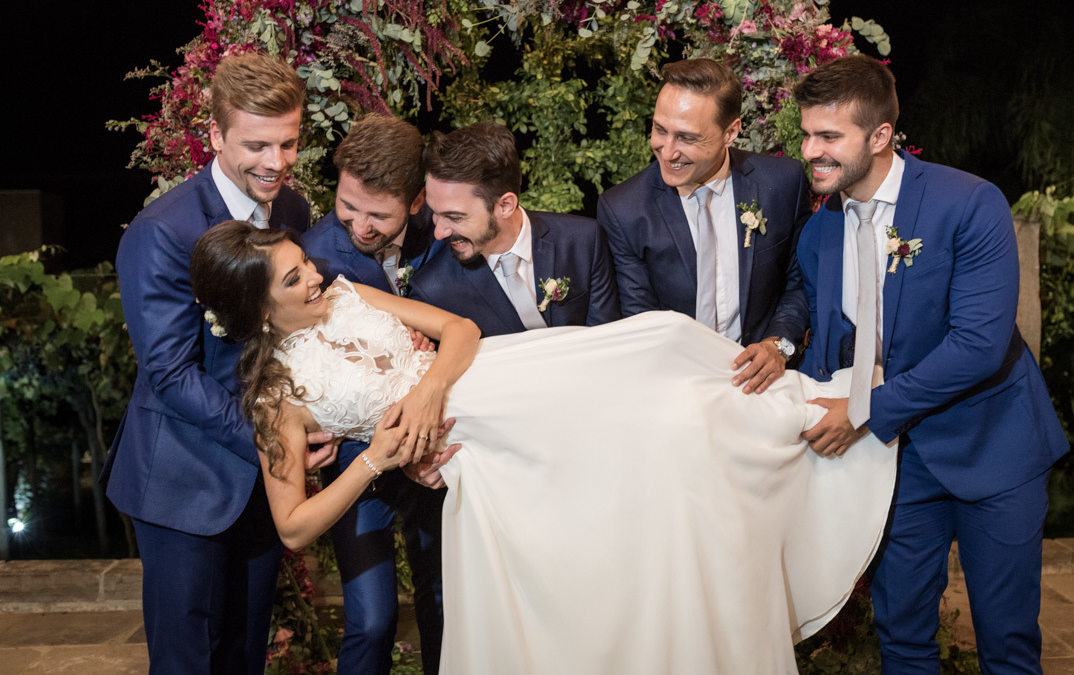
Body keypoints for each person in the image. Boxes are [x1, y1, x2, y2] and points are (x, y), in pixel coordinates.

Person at [190, 219, 900, 675]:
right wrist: (377, 456)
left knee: (662, 356)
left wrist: (430, 389)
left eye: (303, 263)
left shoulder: (351, 294)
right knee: (615, 513)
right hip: (487, 456)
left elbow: (460, 330)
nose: (313, 275)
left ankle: (811, 408)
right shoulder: (277, 397)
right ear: (257, 307)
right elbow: (293, 525)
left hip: (502, 378)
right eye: (293, 278)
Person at [792, 54, 1069, 674]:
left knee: (1006, 642)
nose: (812, 150)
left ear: (881, 136)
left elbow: (979, 344)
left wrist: (862, 413)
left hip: (993, 447)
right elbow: (833, 350)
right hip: (897, 461)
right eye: (808, 133)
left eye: (830, 136)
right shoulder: (819, 234)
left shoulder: (969, 203)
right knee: (904, 637)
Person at [103, 53, 335, 675]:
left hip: (258, 486)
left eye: (288, 143)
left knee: (244, 657)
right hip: (183, 482)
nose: (277, 162)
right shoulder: (164, 231)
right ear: (216, 136)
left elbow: (288, 332)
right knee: (188, 664)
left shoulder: (290, 212)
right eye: (257, 145)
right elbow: (171, 374)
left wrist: (322, 413)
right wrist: (276, 444)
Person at [302, 113, 445, 675]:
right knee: (370, 619)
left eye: (378, 214)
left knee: (442, 603)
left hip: (436, 447)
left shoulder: (447, 229)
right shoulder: (314, 253)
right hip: (359, 462)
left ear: (416, 203)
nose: (358, 226)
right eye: (347, 206)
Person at [597, 58, 811, 395]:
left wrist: (777, 346)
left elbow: (799, 283)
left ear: (731, 132)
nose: (667, 152)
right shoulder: (624, 209)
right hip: (676, 384)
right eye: (659, 129)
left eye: (687, 138)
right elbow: (642, 324)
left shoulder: (783, 183)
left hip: (767, 383)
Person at [409, 121, 621, 334]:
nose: (439, 232)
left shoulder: (583, 241)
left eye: (454, 217)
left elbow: (607, 339)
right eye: (435, 213)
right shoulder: (432, 290)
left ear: (505, 205)